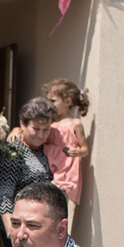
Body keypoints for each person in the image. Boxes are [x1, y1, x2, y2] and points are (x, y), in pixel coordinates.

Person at [0, 98, 62, 220]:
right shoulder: (14, 151)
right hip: (23, 223)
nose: (41, 135)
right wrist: (10, 227)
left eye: (46, 129)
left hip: (47, 222)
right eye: (36, 129)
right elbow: (5, 196)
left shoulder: (49, 147)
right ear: (22, 123)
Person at [40, 80, 92, 208]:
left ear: (68, 102)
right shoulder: (49, 122)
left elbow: (85, 148)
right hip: (48, 162)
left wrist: (78, 152)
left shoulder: (75, 124)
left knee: (58, 200)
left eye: (53, 101)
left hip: (65, 167)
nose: (49, 105)